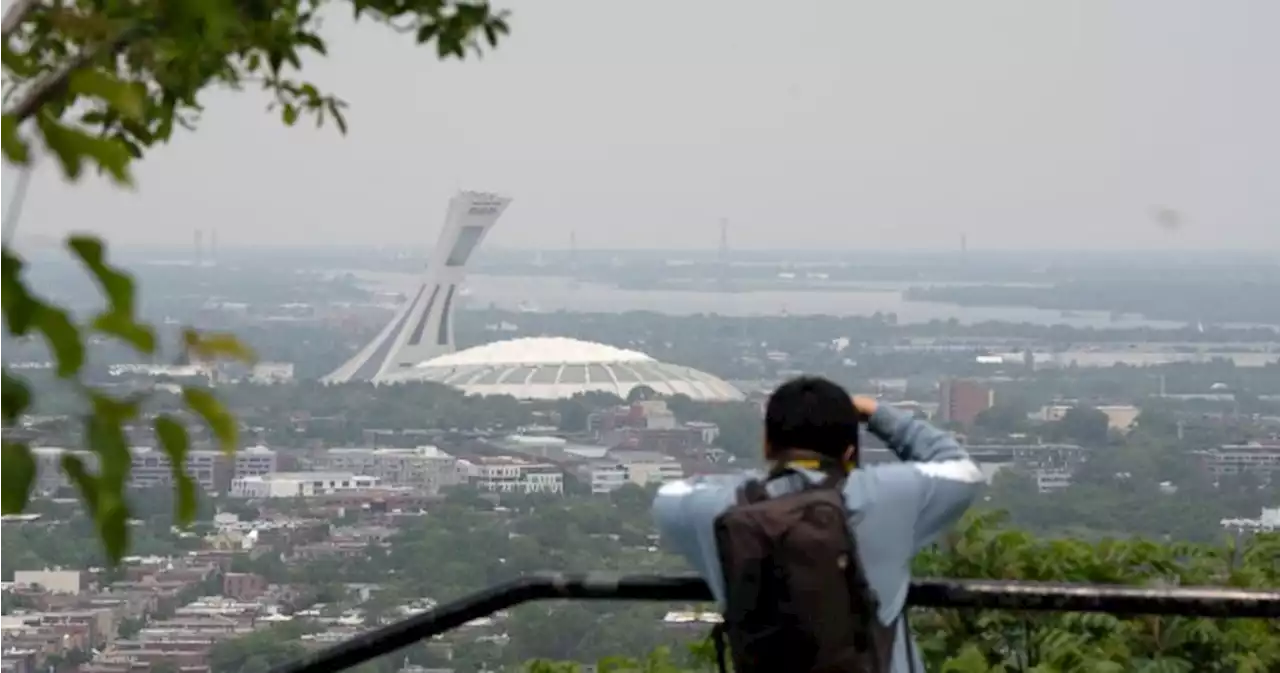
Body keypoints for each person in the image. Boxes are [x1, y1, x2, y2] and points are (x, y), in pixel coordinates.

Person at [652, 376, 984, 672]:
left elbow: (669, 493)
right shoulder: (887, 497)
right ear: (850, 452)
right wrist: (874, 413)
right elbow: (962, 470)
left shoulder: (724, 512)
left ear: (768, 445)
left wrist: (767, 480)